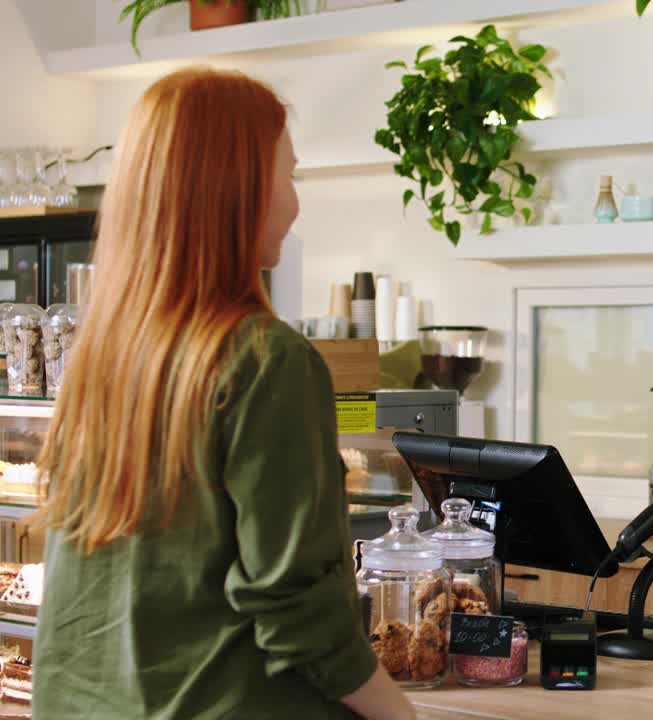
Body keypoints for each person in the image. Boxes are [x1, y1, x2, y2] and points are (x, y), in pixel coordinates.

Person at [30, 68, 414, 720]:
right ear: (235, 191)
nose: (294, 205)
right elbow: (295, 604)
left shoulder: (101, 356)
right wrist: (398, 712)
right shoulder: (268, 360)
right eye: (287, 177)